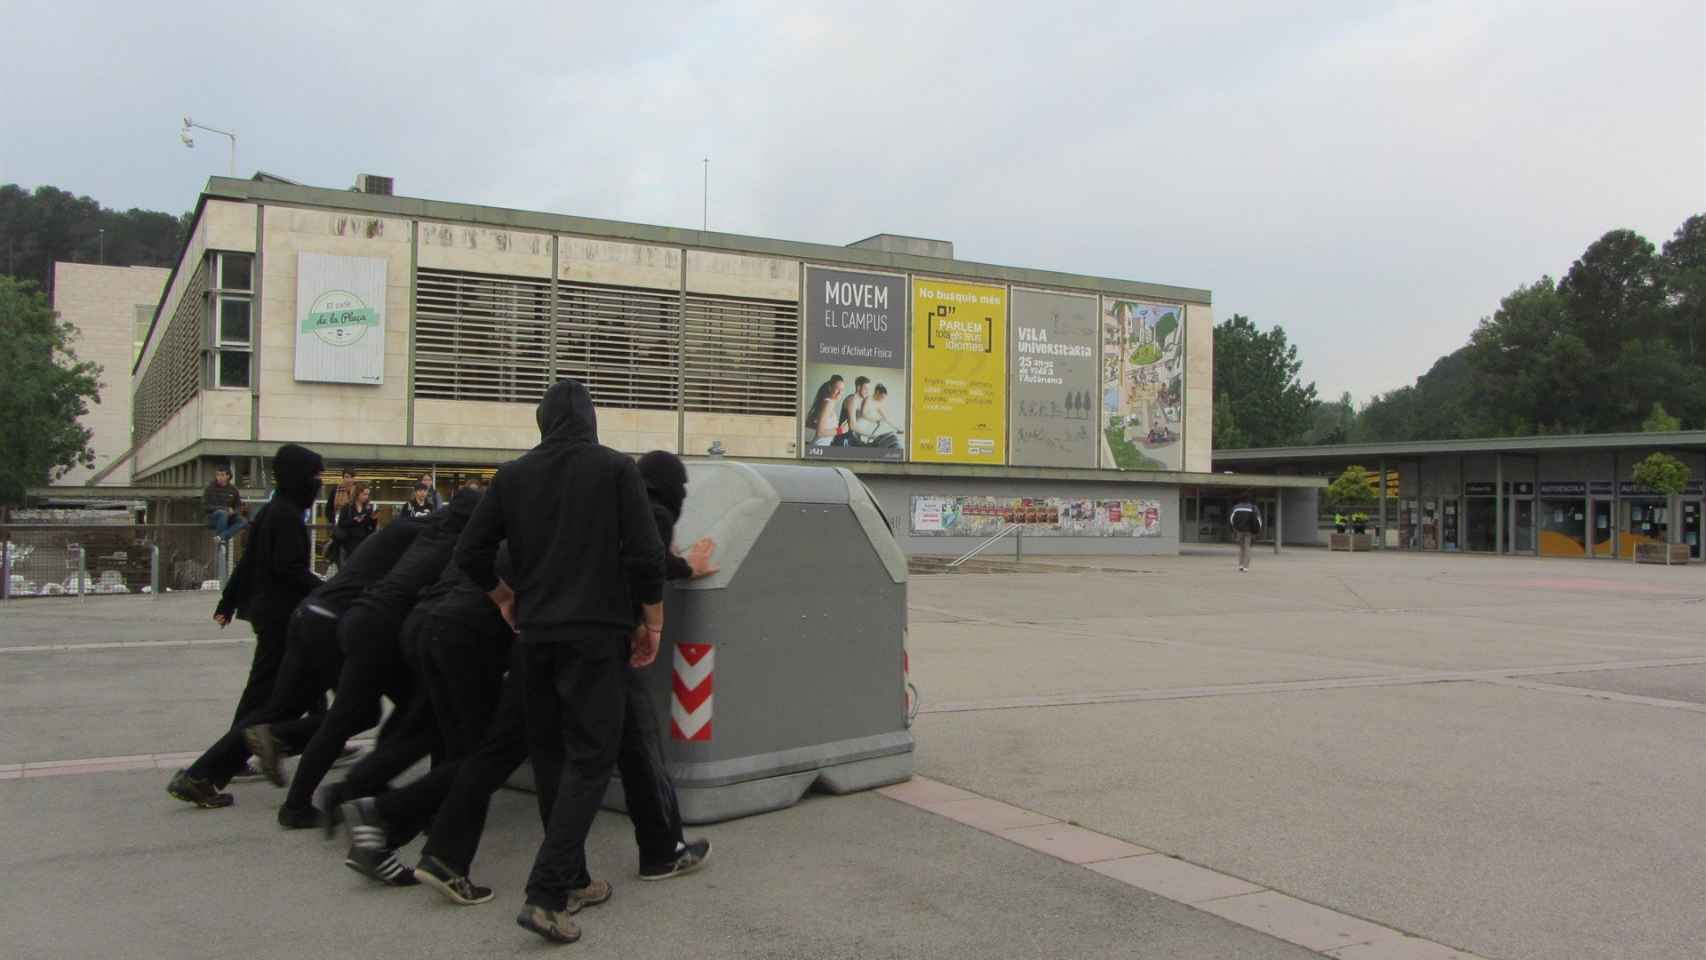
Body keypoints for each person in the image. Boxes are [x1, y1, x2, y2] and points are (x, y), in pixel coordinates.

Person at [345, 451, 716, 901]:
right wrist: (665, 597)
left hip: (515, 633)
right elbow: (644, 560)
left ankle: (421, 838)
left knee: (497, 752)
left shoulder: (541, 493)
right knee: (597, 750)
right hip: (570, 640)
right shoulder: (631, 502)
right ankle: (614, 864)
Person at [455, 379, 667, 944]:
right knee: (593, 757)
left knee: (550, 755)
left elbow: (470, 552)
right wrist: (654, 620)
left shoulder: (512, 475)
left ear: (542, 421)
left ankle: (572, 878)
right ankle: (547, 894)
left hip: (535, 636)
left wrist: (505, 598)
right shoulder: (616, 470)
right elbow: (645, 554)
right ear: (592, 419)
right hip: (595, 635)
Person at [171, 516, 429, 799]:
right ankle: (286, 741)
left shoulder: (401, 529)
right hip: (337, 625)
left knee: (276, 710)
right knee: (366, 711)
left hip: (308, 615)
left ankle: (199, 775)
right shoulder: (427, 539)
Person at [271, 487, 482, 828]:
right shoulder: (456, 548)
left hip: (360, 619)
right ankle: (334, 796)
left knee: (400, 709)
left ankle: (356, 785)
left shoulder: (423, 532)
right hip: (380, 629)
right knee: (423, 713)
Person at [167, 443, 323, 809]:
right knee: (277, 703)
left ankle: (217, 768)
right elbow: (289, 571)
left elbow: (247, 563)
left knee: (263, 700)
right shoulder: (284, 517)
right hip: (283, 621)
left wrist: (228, 602)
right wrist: (334, 589)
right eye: (315, 476)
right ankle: (205, 772)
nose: (318, 484)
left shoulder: (273, 513)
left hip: (272, 619)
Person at [336, 483, 379, 564]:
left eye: (368, 494)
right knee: (348, 566)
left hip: (363, 542)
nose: (366, 497)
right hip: (349, 542)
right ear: (357, 494)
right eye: (364, 494)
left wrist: (374, 520)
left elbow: (371, 528)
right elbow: (341, 524)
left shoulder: (368, 508)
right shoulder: (347, 507)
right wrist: (354, 521)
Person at [203, 466, 247, 542]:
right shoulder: (209, 489)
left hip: (228, 517)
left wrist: (234, 511)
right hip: (212, 517)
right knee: (222, 513)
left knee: (243, 521)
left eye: (222, 475)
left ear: (228, 476)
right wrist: (224, 509)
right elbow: (205, 506)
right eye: (218, 475)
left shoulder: (233, 489)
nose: (219, 477)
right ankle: (221, 541)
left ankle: (221, 537)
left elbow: (238, 506)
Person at [805, 376, 844, 449]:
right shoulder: (828, 403)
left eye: (842, 389)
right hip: (818, 447)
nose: (840, 392)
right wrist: (840, 430)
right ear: (830, 388)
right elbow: (820, 433)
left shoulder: (828, 402)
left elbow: (810, 423)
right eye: (837, 389)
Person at [1229, 496, 1263, 573]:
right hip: (1249, 531)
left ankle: (1240, 565)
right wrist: (1257, 530)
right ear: (1249, 500)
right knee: (1247, 548)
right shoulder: (1253, 507)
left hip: (1239, 531)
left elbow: (1231, 520)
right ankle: (1246, 567)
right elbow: (1259, 520)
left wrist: (1233, 530)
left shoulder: (1236, 507)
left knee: (1241, 548)